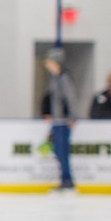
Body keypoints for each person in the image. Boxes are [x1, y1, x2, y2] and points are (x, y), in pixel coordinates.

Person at [41, 47, 79, 190]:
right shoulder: (54, 78)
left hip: (64, 121)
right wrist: (48, 112)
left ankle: (67, 180)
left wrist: (72, 117)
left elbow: (71, 98)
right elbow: (52, 98)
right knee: (57, 150)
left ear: (56, 62)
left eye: (49, 61)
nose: (47, 64)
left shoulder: (64, 77)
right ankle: (64, 179)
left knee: (62, 150)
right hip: (57, 120)